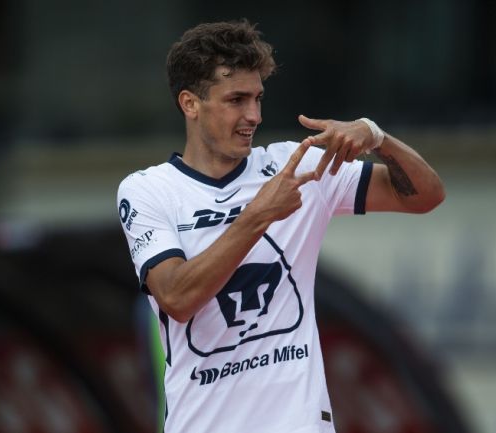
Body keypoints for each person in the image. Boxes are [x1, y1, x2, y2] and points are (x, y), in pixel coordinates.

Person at [117, 20, 444, 433]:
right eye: (236, 100)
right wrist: (258, 214)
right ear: (190, 103)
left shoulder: (298, 164)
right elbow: (177, 297)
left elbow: (425, 195)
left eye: (258, 98)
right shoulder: (148, 190)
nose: (253, 115)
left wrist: (376, 136)